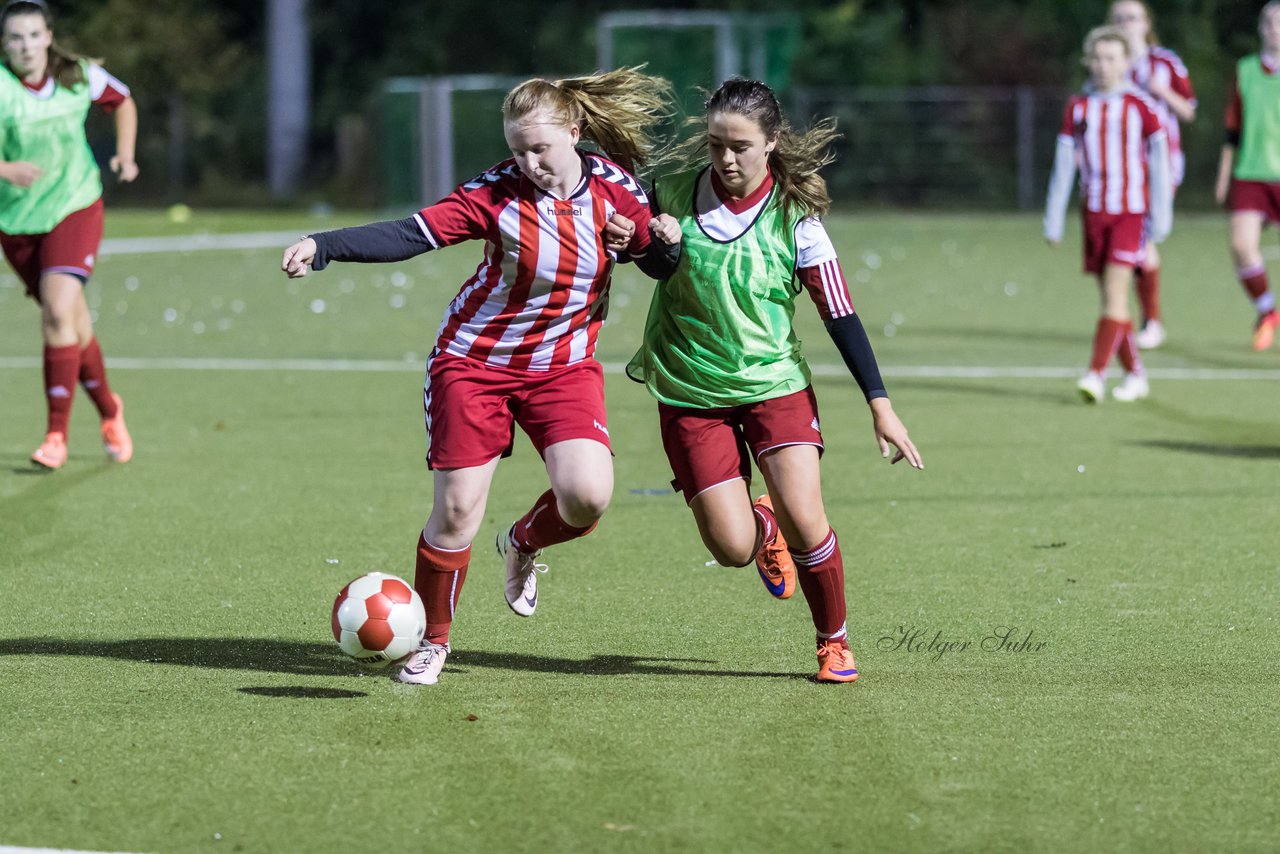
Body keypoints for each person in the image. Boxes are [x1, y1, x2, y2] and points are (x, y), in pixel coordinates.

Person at [281, 68, 676, 686]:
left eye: (540, 148)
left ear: (573, 132)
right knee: (459, 509)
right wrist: (325, 245)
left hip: (562, 367)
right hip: (474, 364)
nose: (529, 161)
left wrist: (643, 241)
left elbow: (662, 261)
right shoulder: (496, 194)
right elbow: (411, 234)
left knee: (588, 497)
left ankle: (521, 541)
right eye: (517, 149)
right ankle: (431, 642)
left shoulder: (617, 189)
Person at [621, 78, 923, 685]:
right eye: (714, 145)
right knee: (731, 549)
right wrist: (649, 243)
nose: (726, 159)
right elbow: (644, 259)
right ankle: (762, 526)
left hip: (772, 383)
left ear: (771, 143)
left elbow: (839, 312)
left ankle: (832, 642)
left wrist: (880, 404)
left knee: (808, 518)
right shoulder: (668, 194)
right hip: (690, 389)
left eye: (740, 146)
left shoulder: (796, 218)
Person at [0, 0, 135, 470]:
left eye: (33, 35)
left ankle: (55, 434)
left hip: (75, 205)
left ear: (49, 36)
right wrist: (4, 168)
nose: (26, 46)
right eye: (15, 38)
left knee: (57, 311)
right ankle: (110, 410)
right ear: (5, 44)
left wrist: (125, 154)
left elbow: (122, 100)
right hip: (17, 222)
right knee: (71, 323)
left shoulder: (76, 75)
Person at [1045, 26, 1172, 403]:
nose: (1103, 65)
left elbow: (1160, 163)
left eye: (1112, 58)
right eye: (1097, 58)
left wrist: (1161, 218)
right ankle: (1135, 374)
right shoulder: (1079, 107)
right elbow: (1064, 164)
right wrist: (1053, 220)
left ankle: (1095, 375)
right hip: (1094, 214)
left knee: (1115, 294)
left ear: (1126, 63)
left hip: (1130, 215)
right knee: (1112, 301)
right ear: (1089, 61)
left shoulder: (1140, 106)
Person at [1108, 0, 1196, 350]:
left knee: (1142, 238)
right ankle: (1132, 318)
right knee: (1131, 243)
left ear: (1146, 23)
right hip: (1119, 167)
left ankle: (1149, 320)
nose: (1126, 24)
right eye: (1119, 19)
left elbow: (1189, 111)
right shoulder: (1110, 64)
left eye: (1132, 18)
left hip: (1161, 165)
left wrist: (1162, 92)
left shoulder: (1165, 63)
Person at [1214, 0, 1280, 351]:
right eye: (1269, 23)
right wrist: (1224, 175)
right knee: (1241, 245)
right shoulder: (1245, 70)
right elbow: (1232, 129)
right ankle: (1267, 310)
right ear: (1260, 29)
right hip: (1251, 173)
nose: (1275, 29)